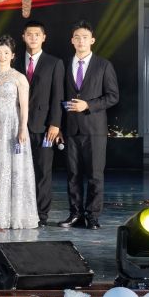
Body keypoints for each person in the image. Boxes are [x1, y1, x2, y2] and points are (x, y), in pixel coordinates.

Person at [59, 20, 119, 230]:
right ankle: (75, 214)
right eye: (77, 37)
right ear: (72, 41)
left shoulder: (104, 65)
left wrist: (88, 105)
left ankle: (92, 216)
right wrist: (58, 126)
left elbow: (113, 96)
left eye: (85, 37)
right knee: (73, 174)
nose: (81, 41)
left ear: (92, 40)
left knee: (95, 175)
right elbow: (58, 97)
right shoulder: (64, 65)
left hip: (95, 130)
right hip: (70, 129)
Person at [0, 35, 38, 229]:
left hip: (12, 126)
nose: (2, 56)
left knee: (13, 168)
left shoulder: (19, 78)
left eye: (6, 53)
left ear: (12, 55)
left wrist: (22, 128)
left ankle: (14, 216)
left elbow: (24, 106)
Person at [19, 21, 65, 227]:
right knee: (20, 170)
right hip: (19, 126)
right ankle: (21, 211)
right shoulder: (14, 61)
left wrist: (55, 123)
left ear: (44, 37)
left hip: (45, 127)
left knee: (43, 171)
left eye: (37, 34)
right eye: (29, 34)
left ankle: (41, 214)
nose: (33, 38)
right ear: (23, 37)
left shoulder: (54, 63)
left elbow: (58, 95)